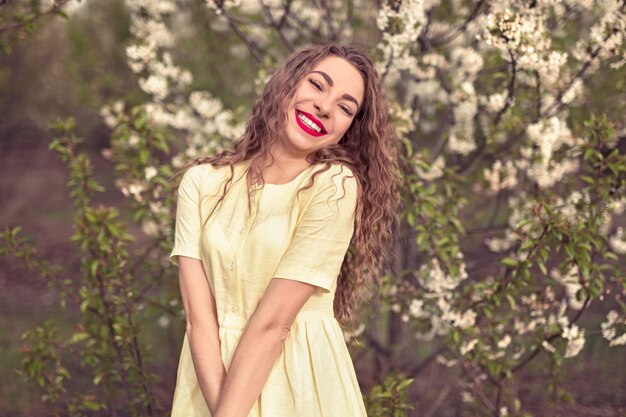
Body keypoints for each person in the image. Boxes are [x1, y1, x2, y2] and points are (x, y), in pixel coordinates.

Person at [168, 43, 401, 417]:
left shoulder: (334, 186)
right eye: (317, 85)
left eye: (344, 107)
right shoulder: (201, 182)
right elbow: (199, 320)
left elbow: (274, 324)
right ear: (287, 84)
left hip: (298, 384)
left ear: (348, 130)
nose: (324, 107)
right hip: (210, 378)